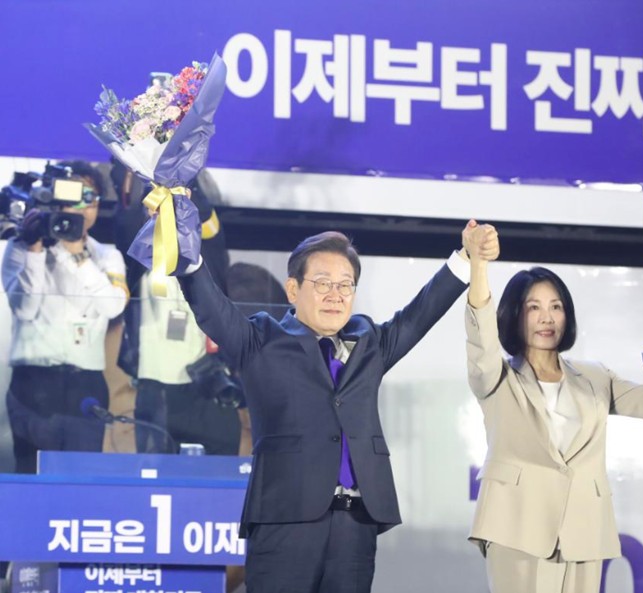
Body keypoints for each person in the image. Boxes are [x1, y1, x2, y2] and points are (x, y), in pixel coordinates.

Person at [173, 221, 480, 593]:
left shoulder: (369, 342)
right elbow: (212, 309)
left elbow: (420, 314)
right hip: (286, 520)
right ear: (293, 289)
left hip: (356, 523)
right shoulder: (261, 340)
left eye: (345, 285)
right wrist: (188, 257)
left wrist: (465, 258)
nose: (335, 295)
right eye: (322, 283)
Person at [461, 224, 643, 593]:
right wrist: (478, 265)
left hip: (583, 532)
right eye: (534, 308)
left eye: (556, 307)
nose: (547, 318)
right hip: (516, 529)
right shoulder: (496, 378)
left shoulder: (595, 377)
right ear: (514, 314)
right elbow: (481, 338)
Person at [2, 160, 128, 473]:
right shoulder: (21, 246)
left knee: (81, 477)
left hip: (85, 383)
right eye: (73, 197)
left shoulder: (106, 256)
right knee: (32, 474)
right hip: (33, 383)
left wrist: (76, 254)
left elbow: (113, 307)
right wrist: (34, 251)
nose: (82, 208)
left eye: (90, 199)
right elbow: (26, 309)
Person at [111, 163, 241, 455]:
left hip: (203, 382)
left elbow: (207, 219)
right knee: (155, 472)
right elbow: (125, 220)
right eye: (158, 205)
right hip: (154, 388)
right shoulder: (139, 252)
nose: (165, 212)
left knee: (215, 473)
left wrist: (180, 173)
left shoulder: (207, 252)